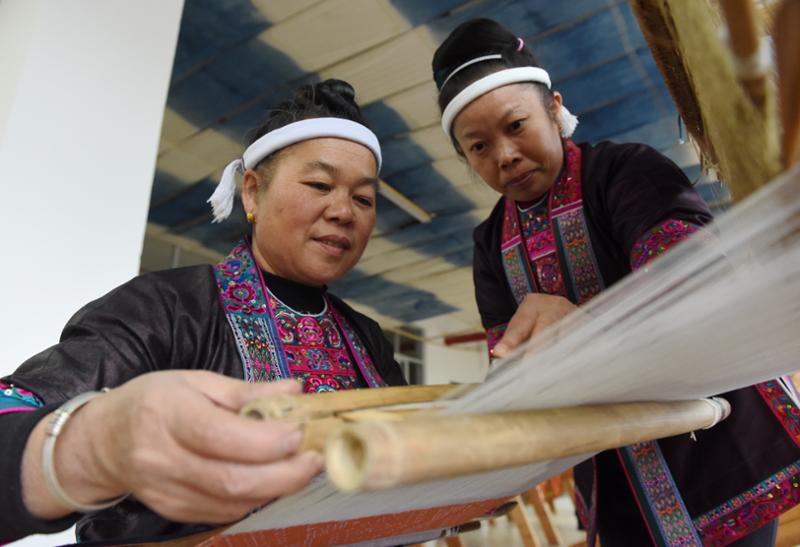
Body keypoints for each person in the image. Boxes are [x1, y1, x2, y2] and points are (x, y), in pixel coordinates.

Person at [431, 18, 799, 547]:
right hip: (617, 478)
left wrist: (579, 325)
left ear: (554, 109)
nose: (504, 155)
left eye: (516, 125)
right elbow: (512, 361)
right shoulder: (489, 244)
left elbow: (692, 280)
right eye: (478, 147)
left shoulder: (628, 172)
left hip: (720, 449)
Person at [0, 79, 406, 544]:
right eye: (320, 184)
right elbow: (15, 410)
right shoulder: (165, 308)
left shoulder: (367, 338)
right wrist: (89, 445)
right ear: (252, 192)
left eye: (363, 198)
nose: (344, 211)